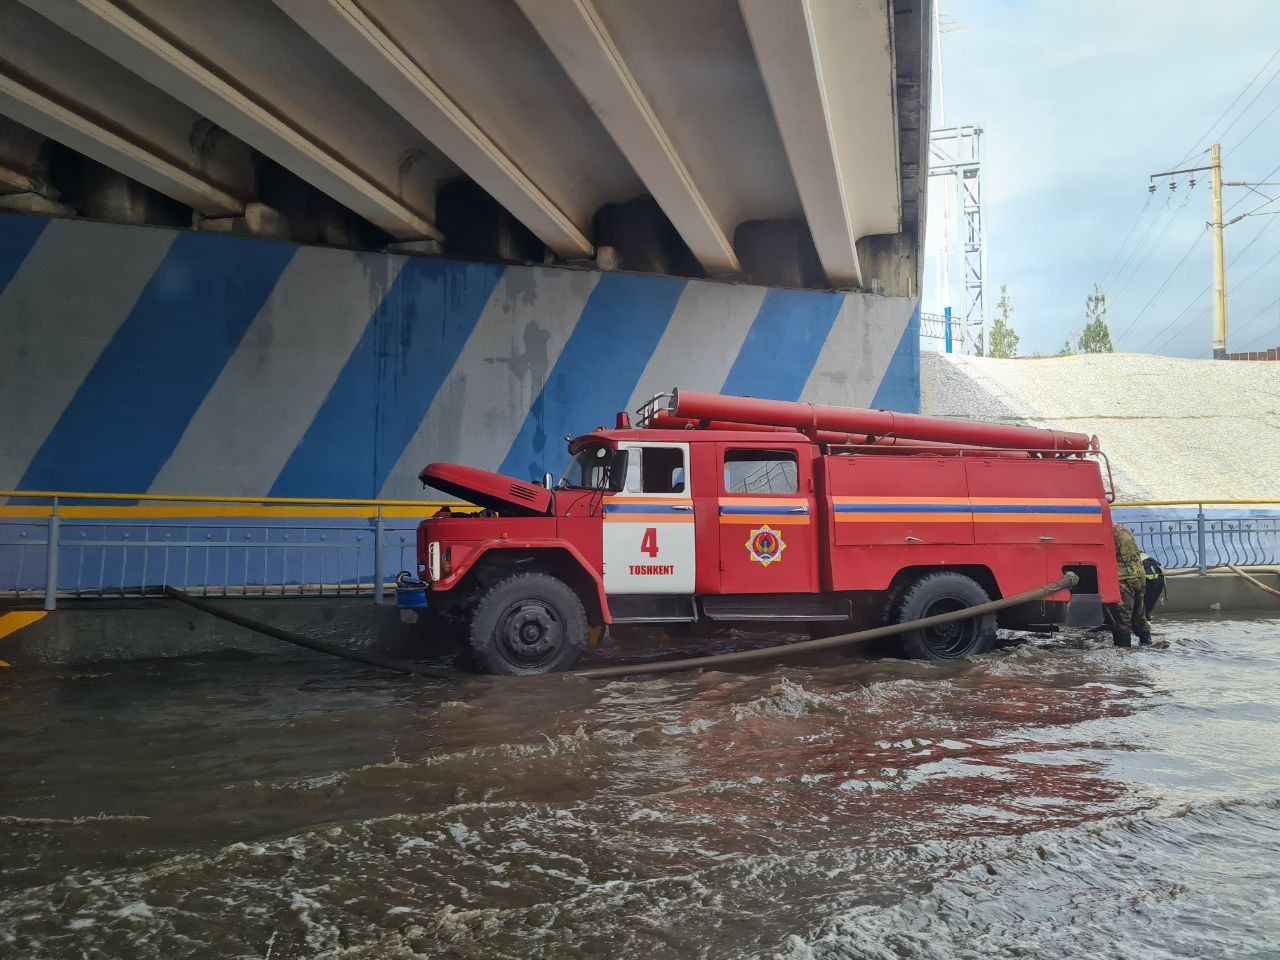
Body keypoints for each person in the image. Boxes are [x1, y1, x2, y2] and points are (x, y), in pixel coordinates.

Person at [1105, 523, 1151, 647]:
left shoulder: (1106, 531)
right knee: (1139, 615)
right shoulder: (1123, 529)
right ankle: (1147, 643)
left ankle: (1124, 652)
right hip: (1139, 575)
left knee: (1122, 619)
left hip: (1123, 578)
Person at [1141, 552, 1166, 618]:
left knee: (1141, 610)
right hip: (1159, 577)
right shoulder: (1143, 555)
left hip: (1148, 579)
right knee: (1147, 609)